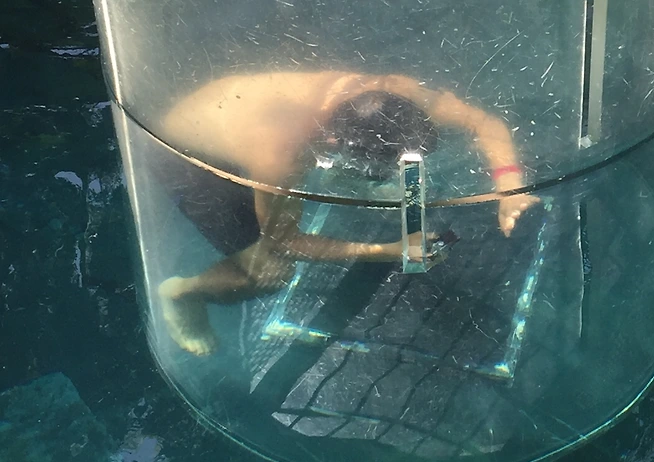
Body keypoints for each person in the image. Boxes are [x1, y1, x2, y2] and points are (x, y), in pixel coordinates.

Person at [155, 70, 539, 357]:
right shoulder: (280, 153)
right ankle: (183, 293)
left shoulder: (393, 93)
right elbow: (284, 243)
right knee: (271, 270)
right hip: (191, 159)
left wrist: (510, 188)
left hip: (235, 116)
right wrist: (389, 250)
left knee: (377, 185)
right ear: (333, 143)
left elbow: (483, 123)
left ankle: (355, 179)